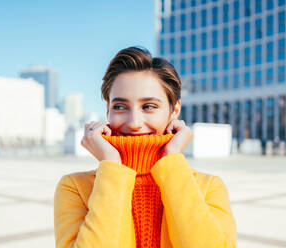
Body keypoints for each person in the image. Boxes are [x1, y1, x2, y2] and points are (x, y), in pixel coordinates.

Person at [54, 47, 236, 248]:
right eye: (120, 106)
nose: (134, 122)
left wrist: (172, 161)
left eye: (149, 106)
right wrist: (112, 167)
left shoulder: (209, 187)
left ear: (174, 110)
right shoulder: (75, 187)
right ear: (108, 111)